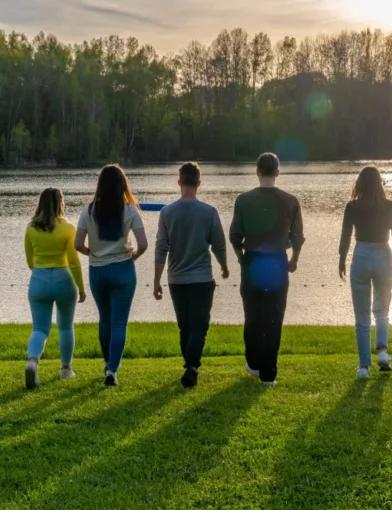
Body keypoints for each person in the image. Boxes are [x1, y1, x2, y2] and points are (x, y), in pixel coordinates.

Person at [230, 153, 304, 386]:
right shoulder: (291, 201)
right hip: (277, 263)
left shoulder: (243, 200)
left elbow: (234, 237)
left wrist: (241, 258)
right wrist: (294, 259)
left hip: (252, 262)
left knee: (253, 315)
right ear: (277, 173)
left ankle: (253, 363)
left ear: (257, 172)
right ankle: (268, 374)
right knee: (274, 317)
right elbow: (298, 237)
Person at [154, 162, 229, 388]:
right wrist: (224, 266)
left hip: (176, 279)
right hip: (202, 279)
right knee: (200, 326)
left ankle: (190, 365)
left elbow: (161, 247)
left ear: (179, 183)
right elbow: (219, 245)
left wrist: (156, 280)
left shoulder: (167, 212)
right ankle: (191, 366)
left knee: (185, 326)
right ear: (199, 183)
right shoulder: (209, 212)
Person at [75, 165, 148, 388]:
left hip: (98, 271)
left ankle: (107, 362)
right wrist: (133, 255)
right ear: (122, 186)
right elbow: (143, 244)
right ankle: (112, 371)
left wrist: (93, 253)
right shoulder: (130, 211)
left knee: (105, 319)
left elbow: (77, 244)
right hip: (123, 269)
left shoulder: (88, 211)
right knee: (119, 323)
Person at [338, 166, 392, 380]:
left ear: (360, 184)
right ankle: (382, 352)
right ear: (380, 183)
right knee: (382, 310)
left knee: (362, 315)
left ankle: (364, 366)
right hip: (384, 253)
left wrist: (341, 259)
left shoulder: (352, 207)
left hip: (361, 255)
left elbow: (346, 235)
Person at [24, 188, 86, 390]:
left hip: (39, 279)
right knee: (66, 326)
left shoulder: (31, 228)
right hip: (63, 279)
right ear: (61, 203)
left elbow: (30, 260)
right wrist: (82, 288)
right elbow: (74, 261)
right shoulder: (67, 228)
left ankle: (33, 361)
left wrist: (41, 272)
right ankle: (66, 369)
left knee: (40, 329)